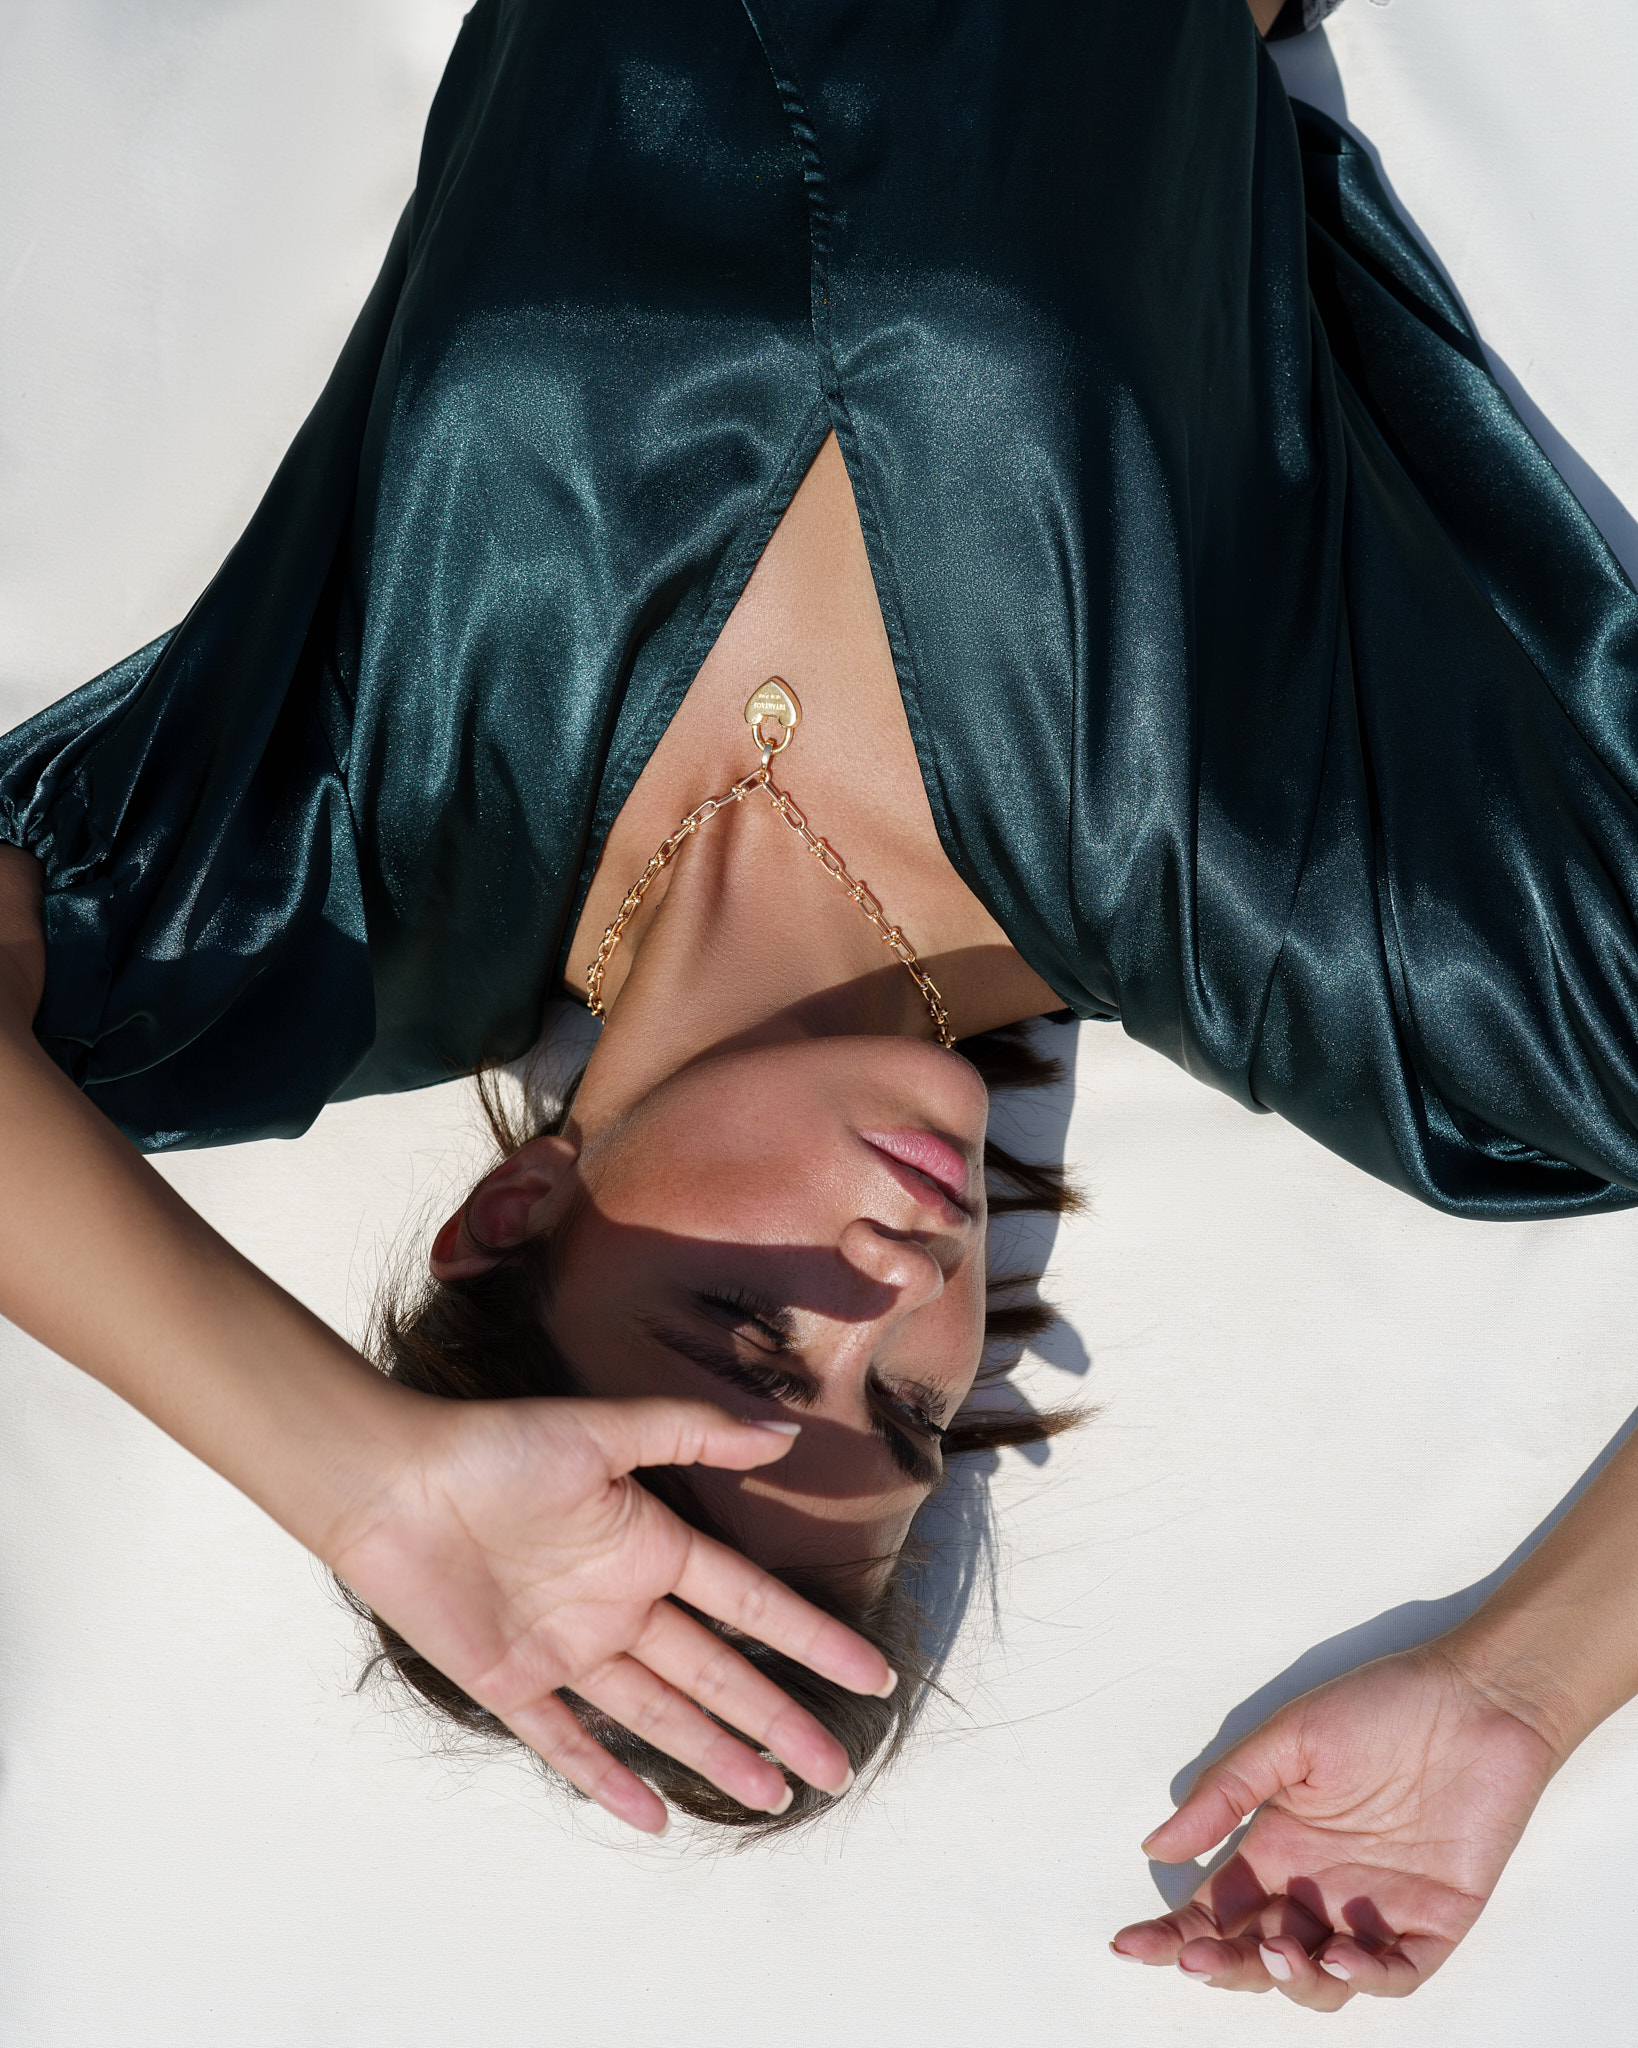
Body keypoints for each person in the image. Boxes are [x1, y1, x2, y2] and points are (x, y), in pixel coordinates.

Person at [3, 0, 1638, 2011]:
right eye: (913, 1411)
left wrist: (357, 1479)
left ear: (512, 1216)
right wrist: (1521, 1688)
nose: (897, 1292)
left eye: (747, 1331)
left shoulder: (326, 885)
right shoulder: (1273, 906)